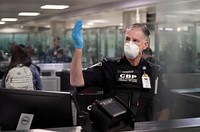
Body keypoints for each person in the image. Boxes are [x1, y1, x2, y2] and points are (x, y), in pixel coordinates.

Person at [70, 20, 170, 124]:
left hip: (143, 127)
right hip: (114, 128)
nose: (130, 43)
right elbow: (76, 81)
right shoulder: (110, 67)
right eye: (127, 39)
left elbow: (165, 109)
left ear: (145, 45)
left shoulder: (153, 71)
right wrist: (78, 49)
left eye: (135, 40)